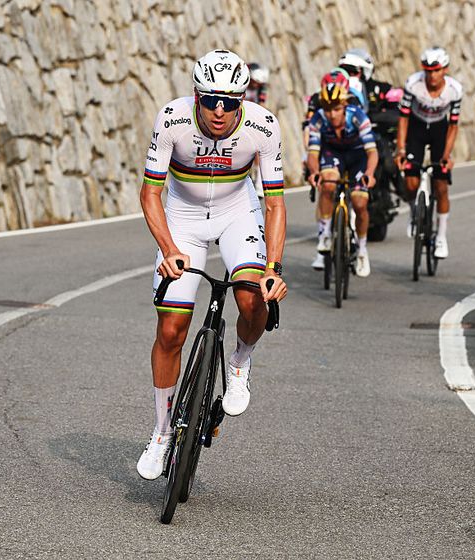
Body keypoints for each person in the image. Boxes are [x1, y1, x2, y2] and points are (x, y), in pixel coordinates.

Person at [137, 49, 288, 480]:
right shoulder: (172, 119)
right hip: (182, 218)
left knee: (251, 294)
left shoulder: (263, 125)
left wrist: (274, 268)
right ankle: (163, 433)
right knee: (170, 330)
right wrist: (168, 249)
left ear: (243, 100)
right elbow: (151, 194)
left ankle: (241, 359)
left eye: (230, 102)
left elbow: (274, 203)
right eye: (210, 100)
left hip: (237, 212)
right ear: (195, 95)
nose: (219, 111)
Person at [306, 73, 378, 277]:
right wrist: (314, 172)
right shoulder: (318, 119)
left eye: (336, 109)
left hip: (358, 156)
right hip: (333, 153)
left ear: (345, 106)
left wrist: (370, 174)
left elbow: (372, 151)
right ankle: (326, 235)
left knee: (360, 202)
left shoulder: (358, 116)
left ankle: (362, 249)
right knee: (327, 185)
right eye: (328, 109)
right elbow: (313, 153)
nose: (332, 114)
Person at [394, 47, 463, 259]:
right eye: (428, 71)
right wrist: (401, 149)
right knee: (411, 181)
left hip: (440, 130)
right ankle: (415, 212)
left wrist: (446, 155)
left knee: (441, 186)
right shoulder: (413, 84)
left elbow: (453, 126)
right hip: (416, 127)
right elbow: (403, 119)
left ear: (445, 70)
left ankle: (441, 236)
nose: (431, 76)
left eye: (436, 71)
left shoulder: (454, 90)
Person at [245, 63, 270, 200]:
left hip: (251, 118)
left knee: (259, 150)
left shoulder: (261, 88)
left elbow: (262, 106)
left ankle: (260, 185)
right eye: (254, 83)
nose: (256, 86)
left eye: (258, 84)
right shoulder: (241, 82)